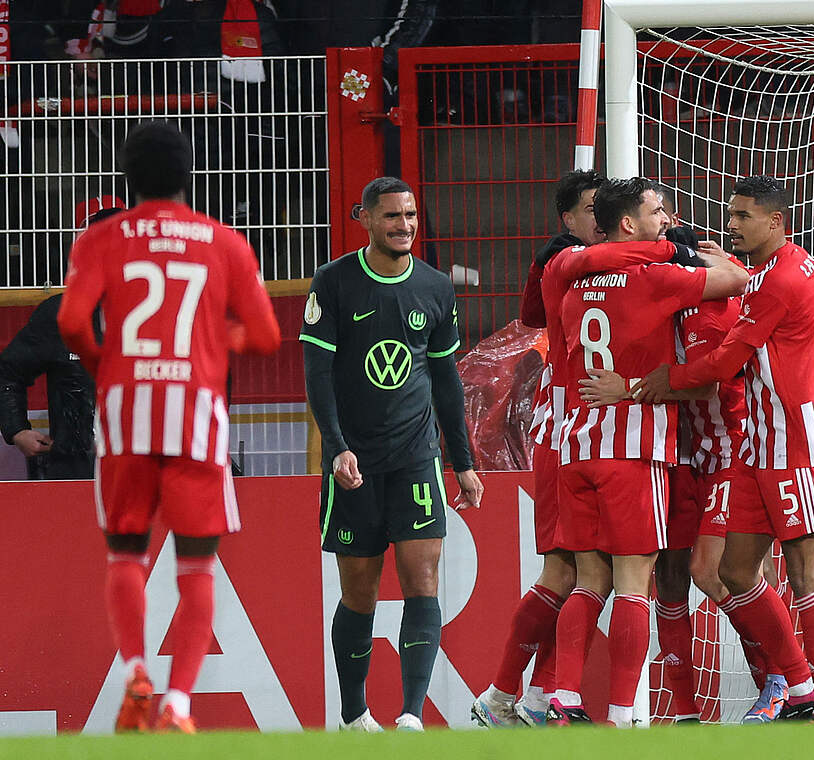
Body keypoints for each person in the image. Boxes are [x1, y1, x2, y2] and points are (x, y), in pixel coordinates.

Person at [55, 122, 282, 732]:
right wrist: (214, 340)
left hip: (127, 413)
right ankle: (179, 704)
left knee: (125, 550)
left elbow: (73, 322)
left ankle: (136, 670)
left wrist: (109, 363)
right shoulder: (223, 241)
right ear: (189, 175)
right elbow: (264, 336)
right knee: (196, 566)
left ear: (128, 177)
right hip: (195, 416)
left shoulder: (104, 238)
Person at [634, 175, 814, 722]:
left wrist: (667, 378)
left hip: (795, 442)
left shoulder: (778, 281)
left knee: (804, 573)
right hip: (757, 446)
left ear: (775, 221)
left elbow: (724, 364)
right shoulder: (772, 271)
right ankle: (795, 682)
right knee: (734, 571)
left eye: (742, 216)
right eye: (730, 214)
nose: (731, 224)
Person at [544, 177, 749, 726]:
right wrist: (678, 250)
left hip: (578, 442)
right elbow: (736, 278)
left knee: (591, 581)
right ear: (629, 224)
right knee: (636, 583)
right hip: (633, 451)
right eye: (658, 212)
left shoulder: (567, 277)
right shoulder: (658, 278)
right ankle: (620, 717)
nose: (668, 219)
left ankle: (562, 698)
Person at [300, 176, 484, 733]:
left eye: (409, 216)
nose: (403, 226)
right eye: (391, 217)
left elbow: (446, 378)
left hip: (417, 456)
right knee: (358, 587)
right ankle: (354, 716)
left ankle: (409, 715)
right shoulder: (334, 283)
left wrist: (465, 460)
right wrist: (336, 447)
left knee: (421, 577)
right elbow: (318, 374)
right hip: (354, 463)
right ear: (364, 219)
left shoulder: (434, 286)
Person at [473, 169, 606, 727]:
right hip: (568, 435)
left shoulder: (600, 262)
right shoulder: (566, 261)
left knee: (587, 573)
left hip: (607, 434)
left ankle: (533, 695)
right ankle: (509, 693)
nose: (604, 220)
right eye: (592, 210)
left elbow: (530, 316)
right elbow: (534, 316)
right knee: (567, 569)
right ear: (568, 220)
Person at [0, 203, 124, 481]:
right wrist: (16, 431)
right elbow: (8, 372)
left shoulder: (163, 314)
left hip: (144, 473)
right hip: (74, 473)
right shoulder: (59, 315)